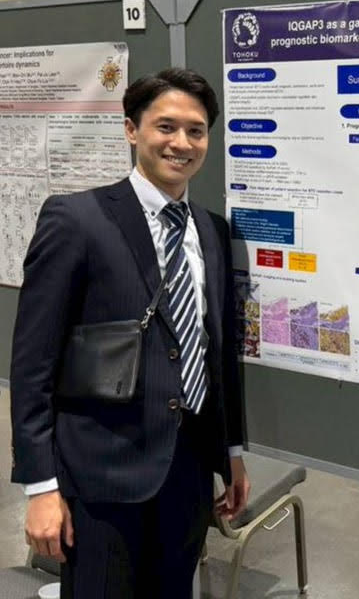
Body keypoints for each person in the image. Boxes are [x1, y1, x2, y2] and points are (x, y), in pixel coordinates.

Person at [10, 68, 250, 598]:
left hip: (188, 468)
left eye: (196, 131)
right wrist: (41, 486)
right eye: (166, 127)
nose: (181, 143)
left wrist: (230, 450)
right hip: (103, 475)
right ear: (131, 129)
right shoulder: (78, 219)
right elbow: (33, 364)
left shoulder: (212, 230)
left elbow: (217, 352)